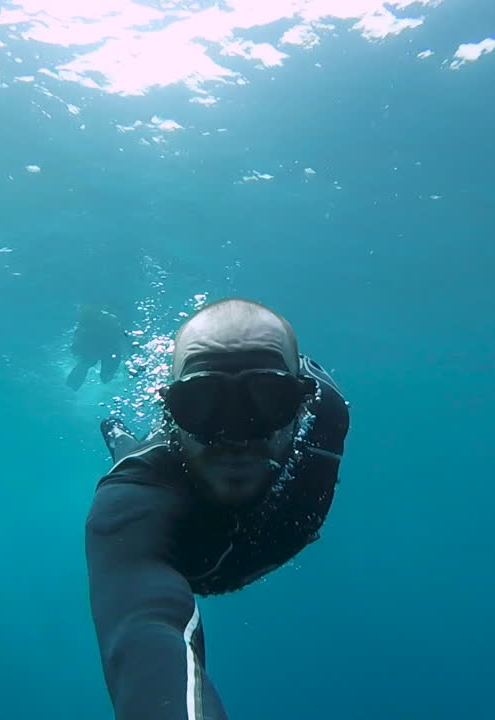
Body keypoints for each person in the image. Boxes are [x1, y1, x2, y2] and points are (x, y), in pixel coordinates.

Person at [84, 298, 350, 720]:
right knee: (130, 453)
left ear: (299, 400)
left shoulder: (326, 407)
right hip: (168, 492)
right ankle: (117, 433)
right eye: (200, 401)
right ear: (169, 408)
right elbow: (143, 635)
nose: (234, 433)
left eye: (267, 397)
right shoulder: (131, 502)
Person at [67, 305, 130, 390]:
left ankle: (70, 388)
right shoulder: (108, 320)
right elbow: (121, 336)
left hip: (104, 348)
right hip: (106, 349)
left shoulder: (106, 320)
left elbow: (78, 336)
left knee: (88, 366)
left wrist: (76, 349)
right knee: (102, 374)